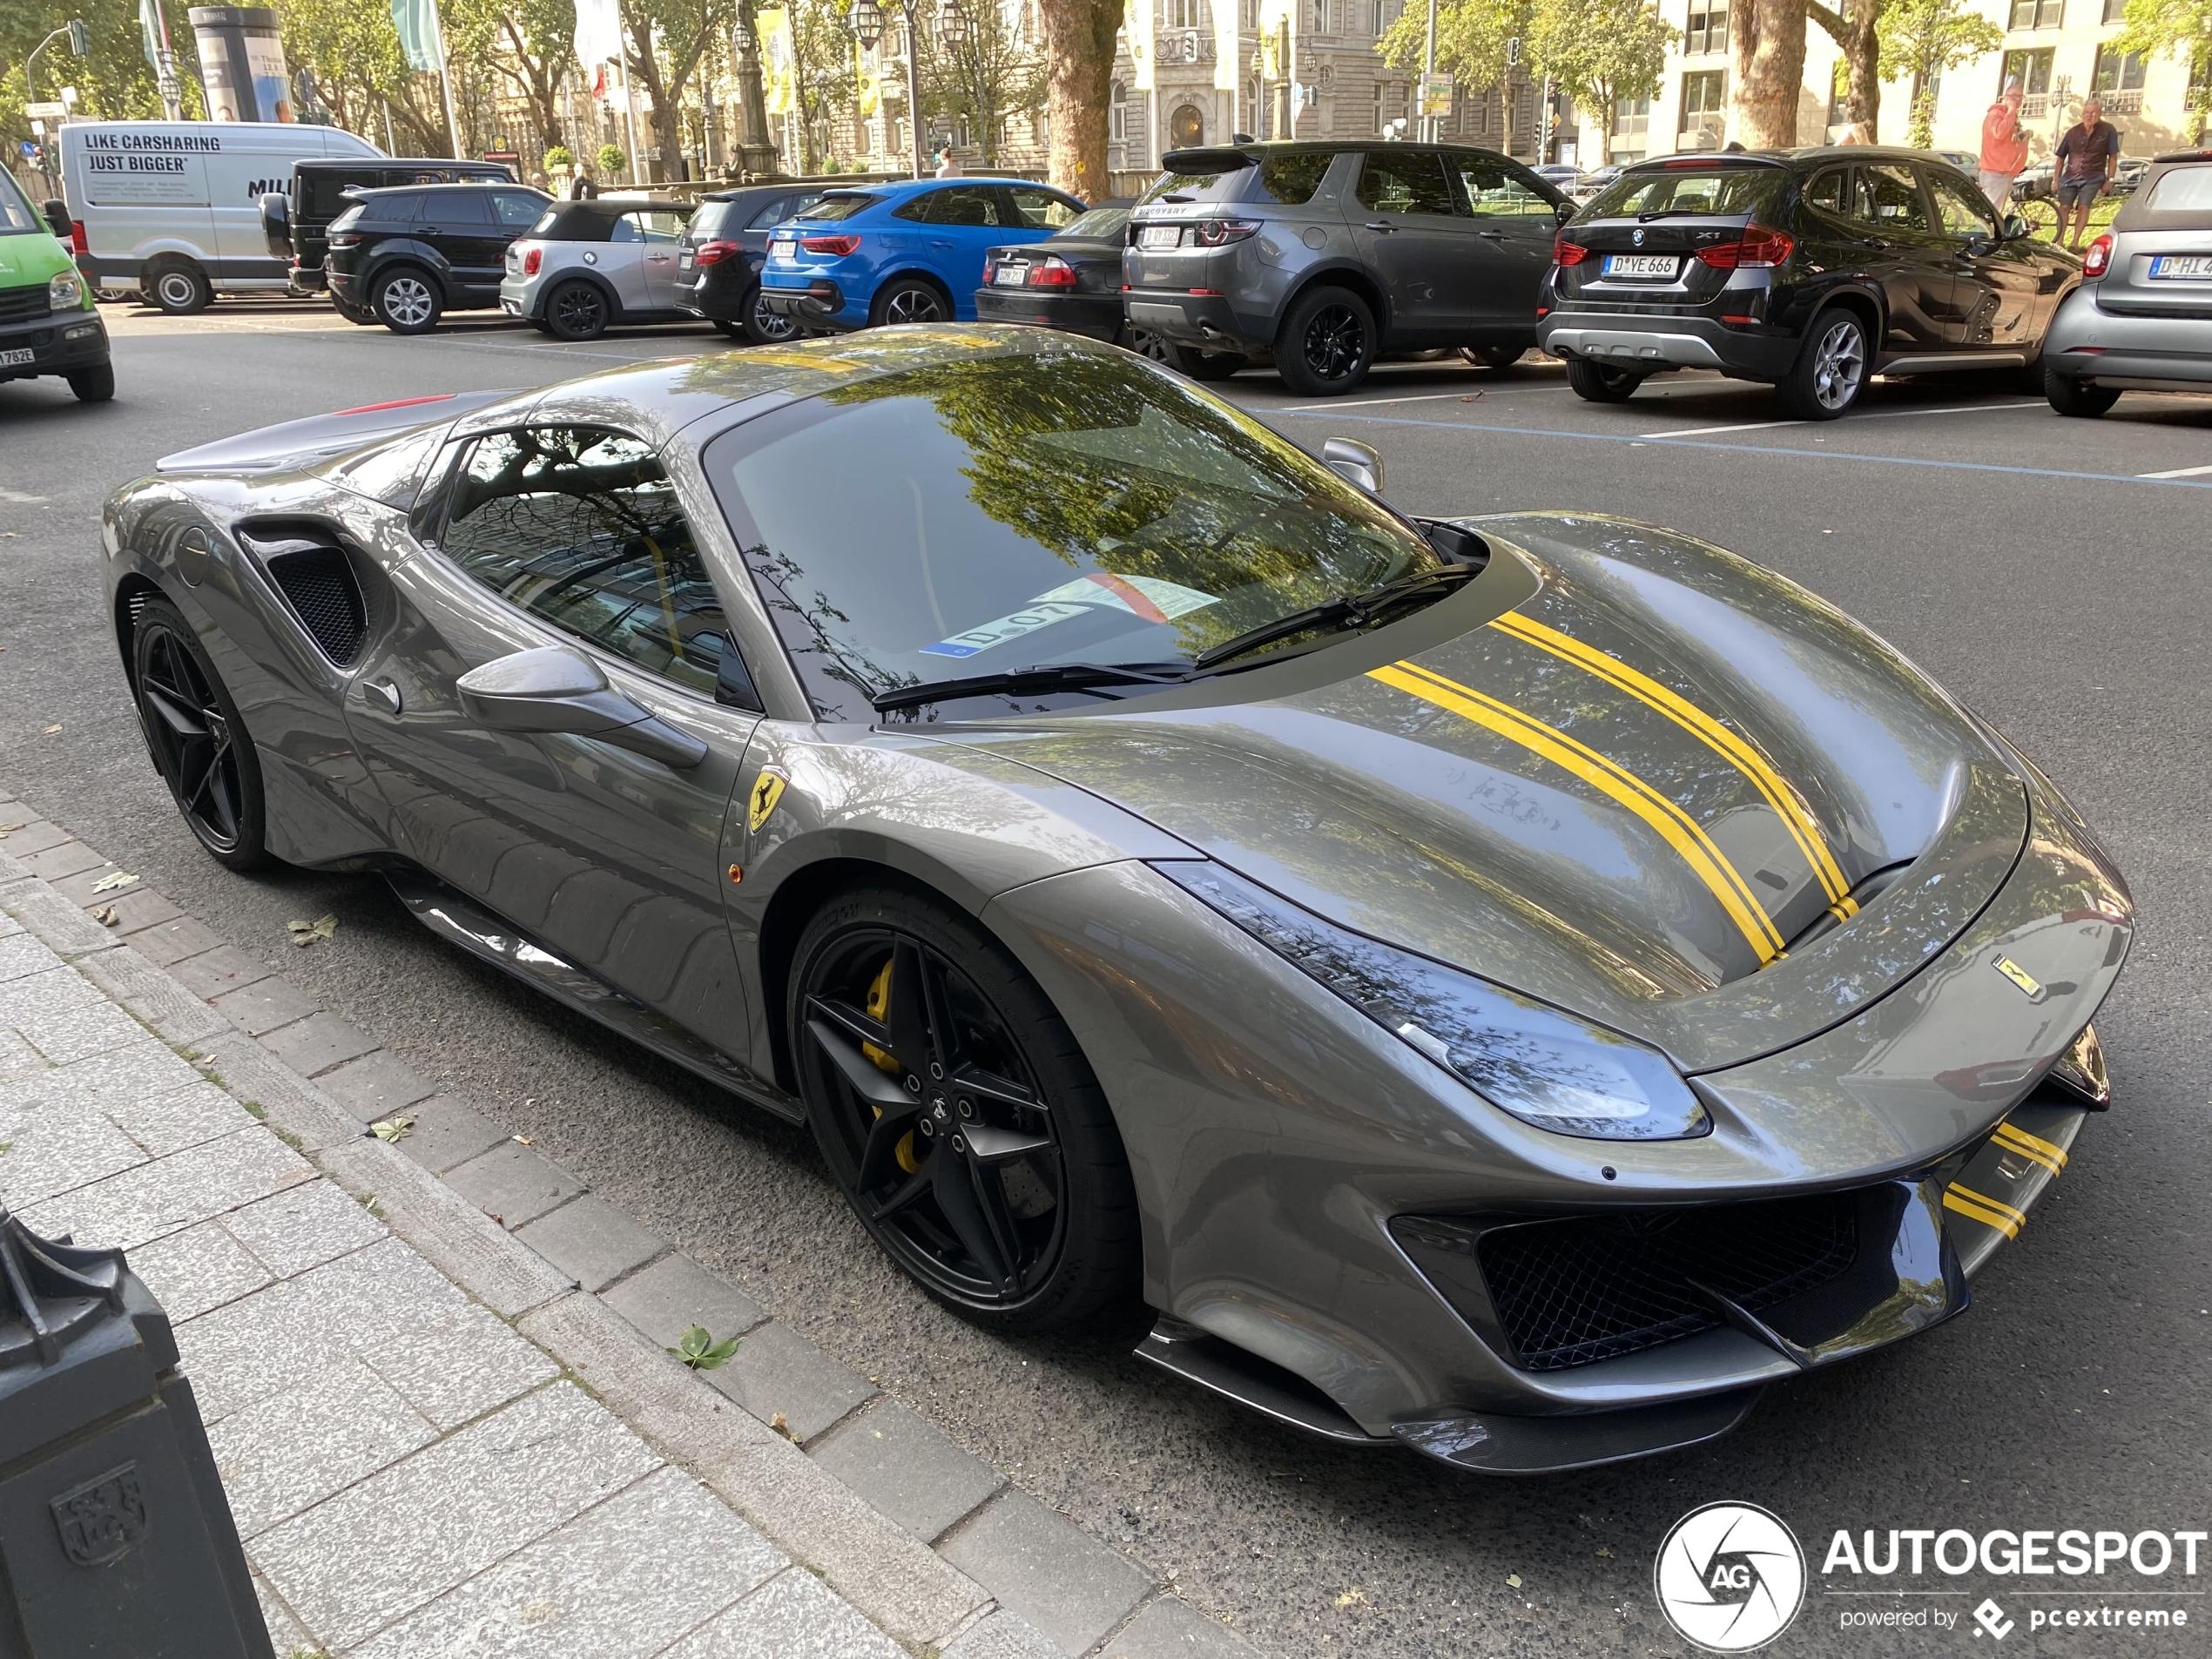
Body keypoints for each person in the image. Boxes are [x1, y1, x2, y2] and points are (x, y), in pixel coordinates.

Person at [2054, 95, 2120, 252]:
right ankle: (2059, 241)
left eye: (2093, 112)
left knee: (2084, 207)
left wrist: (2110, 179)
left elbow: (2113, 157)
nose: (2089, 116)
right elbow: (2060, 157)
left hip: (2093, 176)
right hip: (2070, 176)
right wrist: (2055, 180)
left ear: (2100, 113)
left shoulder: (2108, 130)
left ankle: (2075, 242)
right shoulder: (2073, 132)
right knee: (2064, 207)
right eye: (2086, 112)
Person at [1979, 78, 2028, 215]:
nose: (2018, 100)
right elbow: (1999, 132)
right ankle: (1985, 236)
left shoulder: (2009, 116)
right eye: (2014, 97)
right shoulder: (1996, 114)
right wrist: (2011, 111)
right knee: (1992, 214)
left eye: (2020, 97)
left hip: (2005, 172)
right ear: (2006, 97)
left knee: (1996, 212)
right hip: (1995, 173)